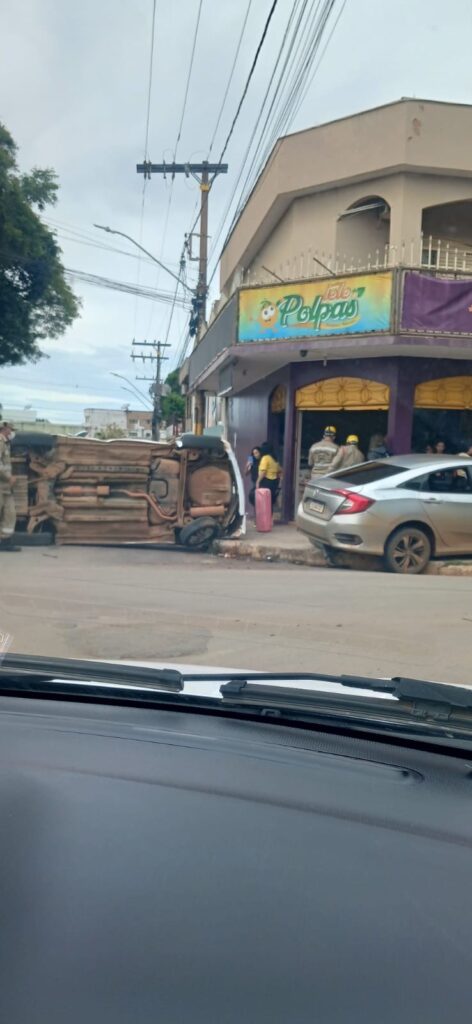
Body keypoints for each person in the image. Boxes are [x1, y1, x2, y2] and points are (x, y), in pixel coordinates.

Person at [0, 422, 20, 552]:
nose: (12, 432)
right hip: (2, 484)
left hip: (5, 487)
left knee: (10, 513)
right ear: (4, 429)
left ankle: (5, 541)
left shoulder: (5, 444)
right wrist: (9, 477)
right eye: (11, 430)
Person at [256, 441, 281, 511]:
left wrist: (258, 481)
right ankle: (270, 518)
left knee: (264, 502)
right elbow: (280, 470)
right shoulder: (274, 459)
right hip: (274, 482)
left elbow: (263, 472)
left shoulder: (265, 458)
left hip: (266, 482)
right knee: (270, 502)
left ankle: (263, 520)